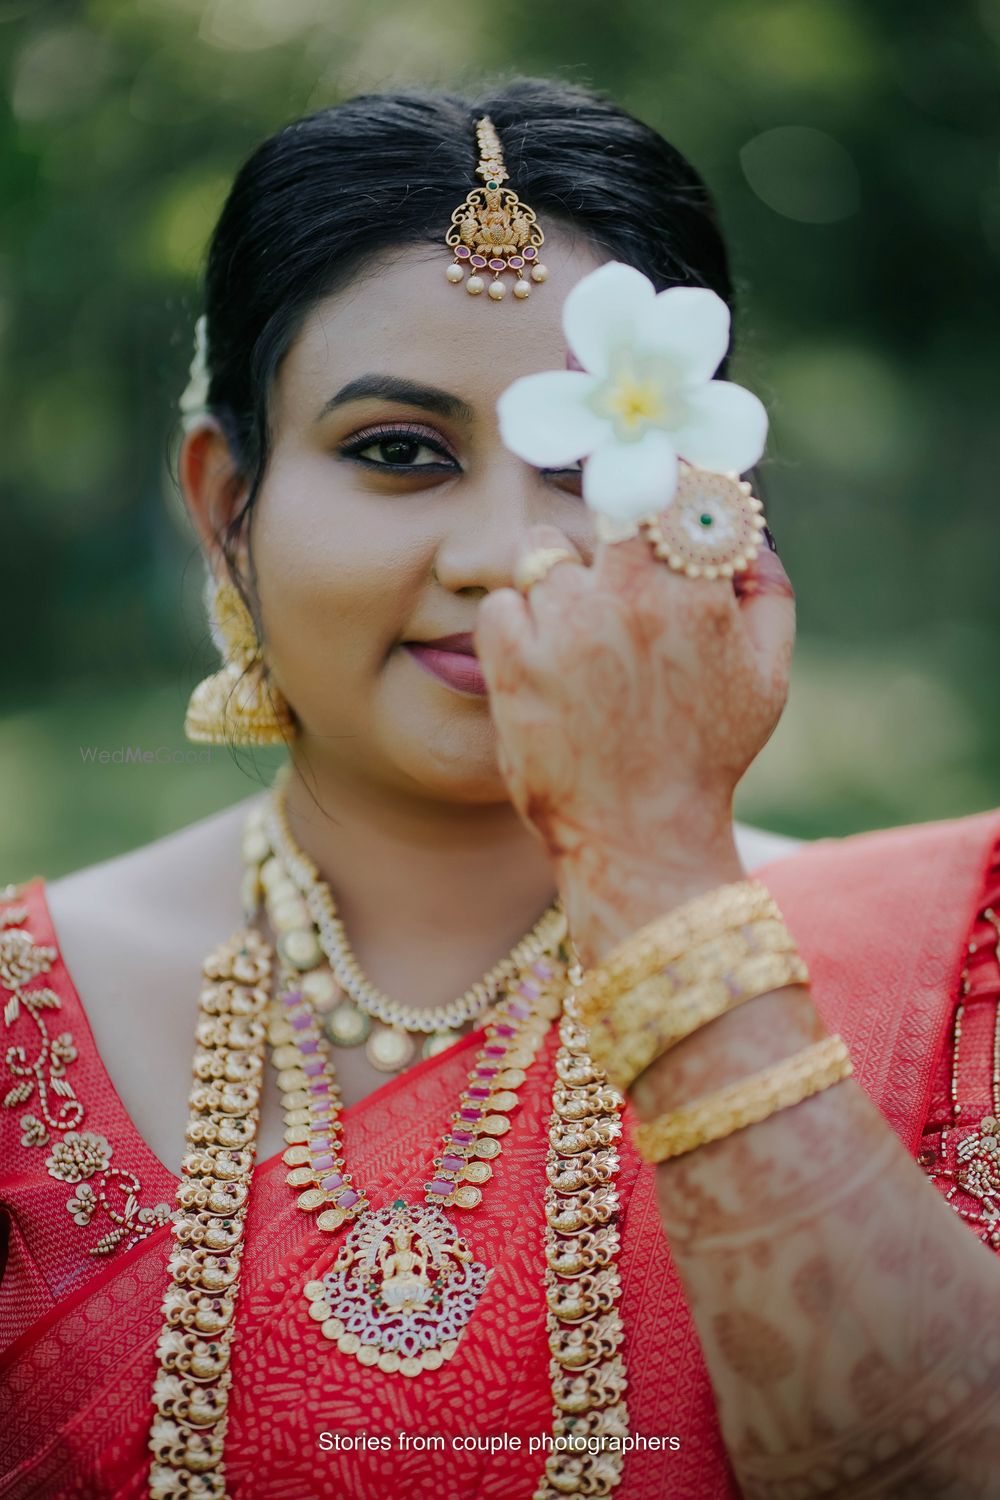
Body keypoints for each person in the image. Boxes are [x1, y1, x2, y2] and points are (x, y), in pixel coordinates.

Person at [1, 79, 998, 1500]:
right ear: (226, 503)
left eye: (592, 464)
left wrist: (657, 871)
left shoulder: (950, 972)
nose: (512, 555)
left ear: (716, 492)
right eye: (400, 452)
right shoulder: (25, 1016)